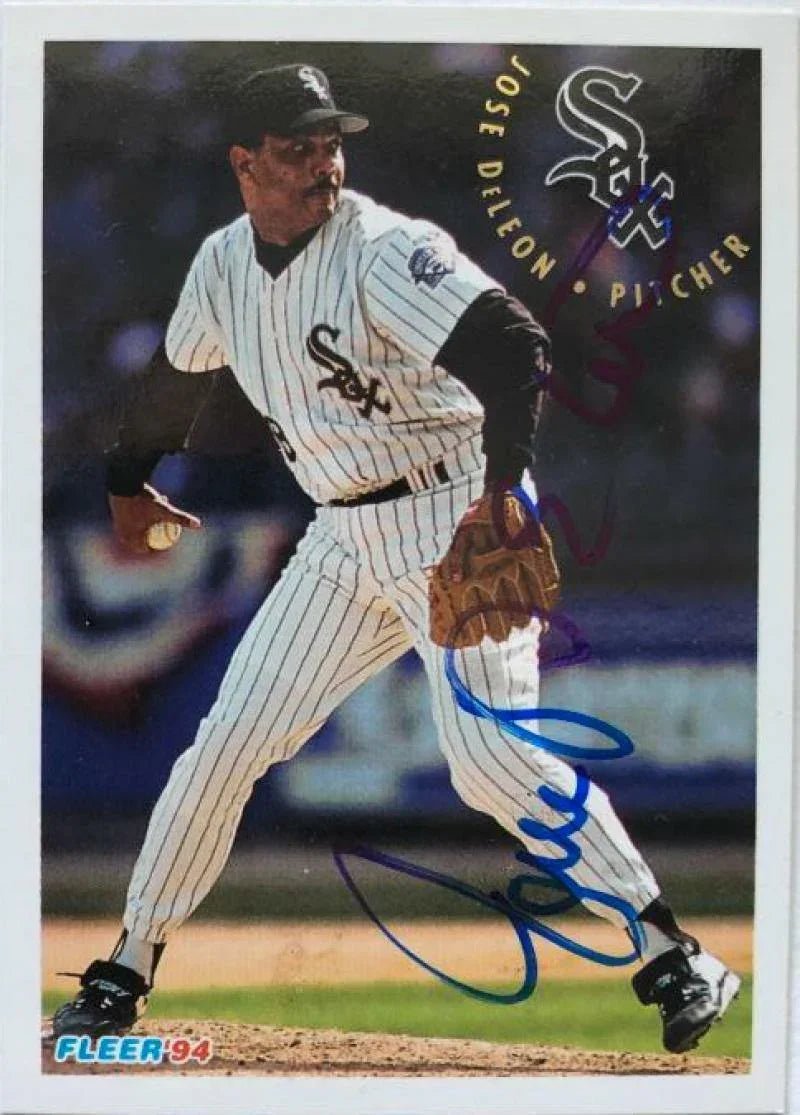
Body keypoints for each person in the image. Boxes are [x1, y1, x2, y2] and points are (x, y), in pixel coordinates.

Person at [51, 63, 739, 1054]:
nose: (323, 163)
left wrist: (498, 496)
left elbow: (513, 345)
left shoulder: (380, 249)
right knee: (227, 744)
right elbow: (175, 377)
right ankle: (125, 967)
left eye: (331, 143)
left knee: (488, 758)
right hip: (341, 535)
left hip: (454, 507)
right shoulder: (222, 266)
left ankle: (674, 954)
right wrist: (126, 481)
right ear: (245, 164)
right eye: (298, 147)